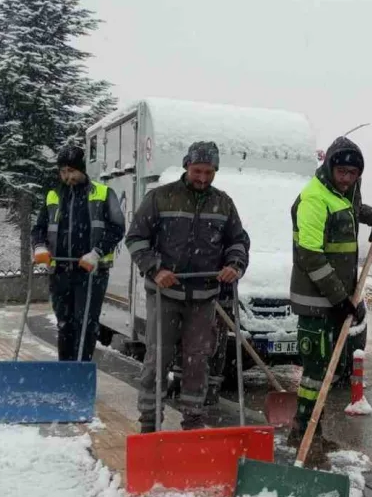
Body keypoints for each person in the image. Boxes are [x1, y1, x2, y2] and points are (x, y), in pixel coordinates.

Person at [126, 141, 250, 432]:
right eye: (197, 171)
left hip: (205, 297)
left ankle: (193, 419)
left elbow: (238, 242)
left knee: (197, 361)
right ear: (186, 166)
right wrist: (156, 269)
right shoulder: (160, 198)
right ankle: (149, 421)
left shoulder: (223, 203)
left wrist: (234, 265)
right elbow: (136, 239)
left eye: (209, 172)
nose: (203, 178)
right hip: (165, 293)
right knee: (159, 357)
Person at [288, 136, 372, 457]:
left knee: (330, 371)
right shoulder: (314, 199)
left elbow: (354, 209)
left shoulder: (342, 194)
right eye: (341, 172)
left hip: (336, 299)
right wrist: (340, 298)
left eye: (352, 174)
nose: (346, 179)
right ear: (330, 167)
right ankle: (303, 434)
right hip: (317, 301)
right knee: (316, 372)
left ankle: (311, 433)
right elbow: (311, 256)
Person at [31, 146, 126, 362]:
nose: (68, 177)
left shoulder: (102, 193)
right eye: (63, 171)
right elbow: (39, 228)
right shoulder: (53, 196)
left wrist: (96, 252)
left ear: (82, 170)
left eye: (72, 171)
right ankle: (66, 370)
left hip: (92, 271)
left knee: (85, 323)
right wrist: (40, 247)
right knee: (64, 322)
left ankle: (82, 370)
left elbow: (117, 227)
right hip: (60, 270)